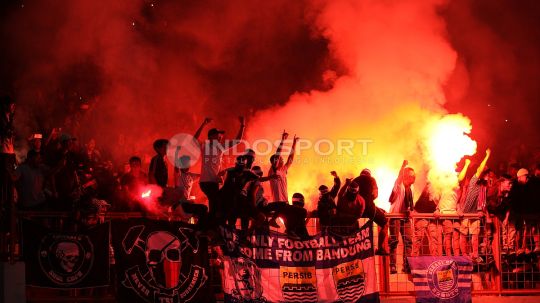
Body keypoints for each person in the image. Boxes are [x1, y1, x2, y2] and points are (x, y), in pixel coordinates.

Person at [197, 117, 245, 222]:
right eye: (218, 135)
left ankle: (209, 226)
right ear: (210, 137)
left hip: (214, 182)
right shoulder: (204, 146)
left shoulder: (221, 147)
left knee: (215, 205)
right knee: (216, 203)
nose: (220, 137)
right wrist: (203, 124)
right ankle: (208, 226)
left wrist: (242, 125)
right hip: (206, 182)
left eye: (221, 135)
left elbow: (238, 141)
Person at [460, 149, 491, 263]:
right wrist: (487, 156)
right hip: (466, 211)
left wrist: (482, 211)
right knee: (463, 234)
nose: (488, 174)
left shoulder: (483, 185)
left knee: (475, 235)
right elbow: (480, 168)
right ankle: (463, 255)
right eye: (486, 172)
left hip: (474, 212)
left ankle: (474, 255)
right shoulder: (474, 179)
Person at [267, 130, 299, 227]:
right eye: (280, 159)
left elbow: (290, 158)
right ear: (274, 162)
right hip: (278, 201)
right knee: (287, 219)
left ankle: (289, 234)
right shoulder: (273, 170)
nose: (282, 159)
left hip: (285, 200)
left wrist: (294, 144)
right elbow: (277, 154)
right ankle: (273, 219)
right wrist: (283, 140)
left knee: (288, 221)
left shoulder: (284, 169)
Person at [353, 168, 389, 255]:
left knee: (354, 230)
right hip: (369, 208)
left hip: (356, 209)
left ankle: (353, 249)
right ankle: (380, 248)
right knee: (384, 224)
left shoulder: (355, 180)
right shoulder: (371, 179)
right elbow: (375, 194)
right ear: (369, 174)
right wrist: (369, 199)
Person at [388, 160, 415, 273]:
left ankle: (406, 265)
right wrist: (402, 166)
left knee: (408, 241)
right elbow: (399, 177)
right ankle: (393, 266)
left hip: (406, 218)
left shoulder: (411, 188)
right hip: (396, 216)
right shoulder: (399, 185)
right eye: (411, 175)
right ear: (405, 176)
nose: (414, 178)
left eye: (414, 176)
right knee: (394, 241)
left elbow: (410, 203)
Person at [412, 182, 441, 257]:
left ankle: (435, 259)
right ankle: (413, 260)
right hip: (421, 215)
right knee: (418, 238)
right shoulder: (430, 185)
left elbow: (439, 201)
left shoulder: (439, 187)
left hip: (430, 216)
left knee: (434, 239)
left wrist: (438, 209)